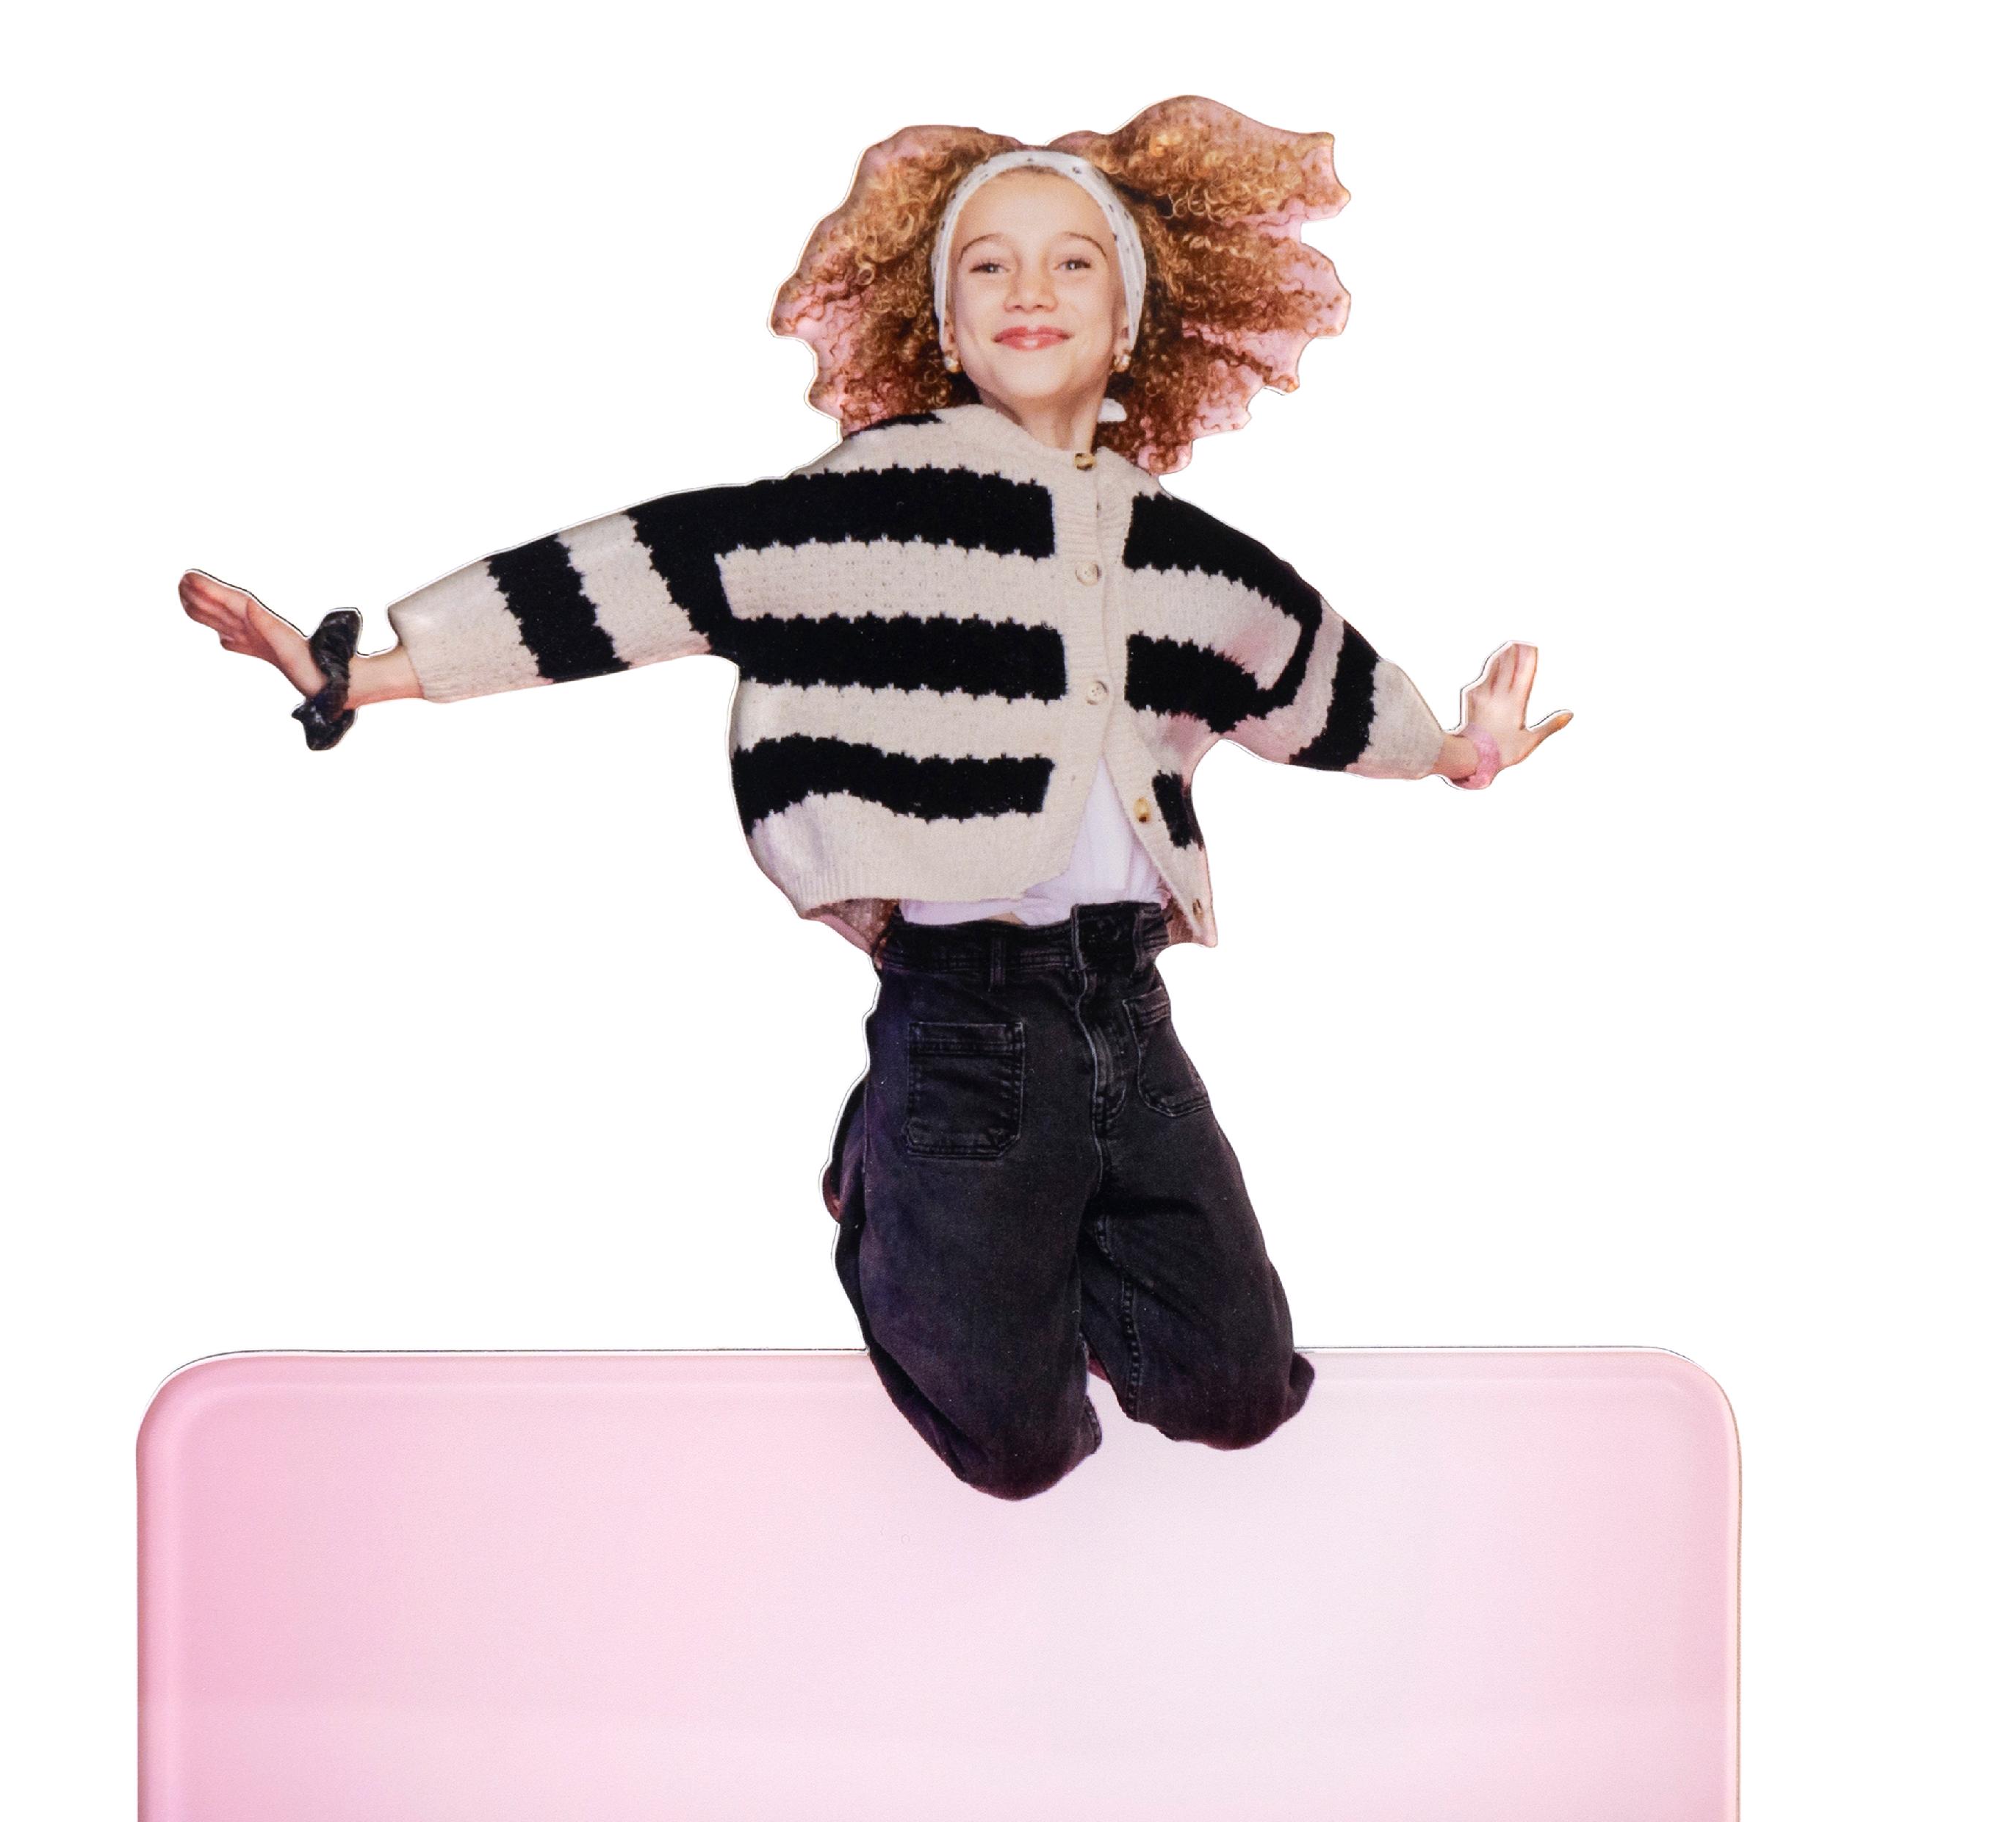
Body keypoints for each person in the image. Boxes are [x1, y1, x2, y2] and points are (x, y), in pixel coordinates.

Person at [179, 98, 1569, 1502]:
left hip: (1127, 1010)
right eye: (988, 265)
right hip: (962, 1014)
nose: (1030, 289)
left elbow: (1310, 672)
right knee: (1017, 1451)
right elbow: (646, 573)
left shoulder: (1187, 556)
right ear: (944, 325)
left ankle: (1029, 1240)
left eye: (1073, 261)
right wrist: (371, 672)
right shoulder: (864, 508)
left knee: (1238, 1391)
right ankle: (895, 1184)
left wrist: (1456, 750)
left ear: (1134, 319)